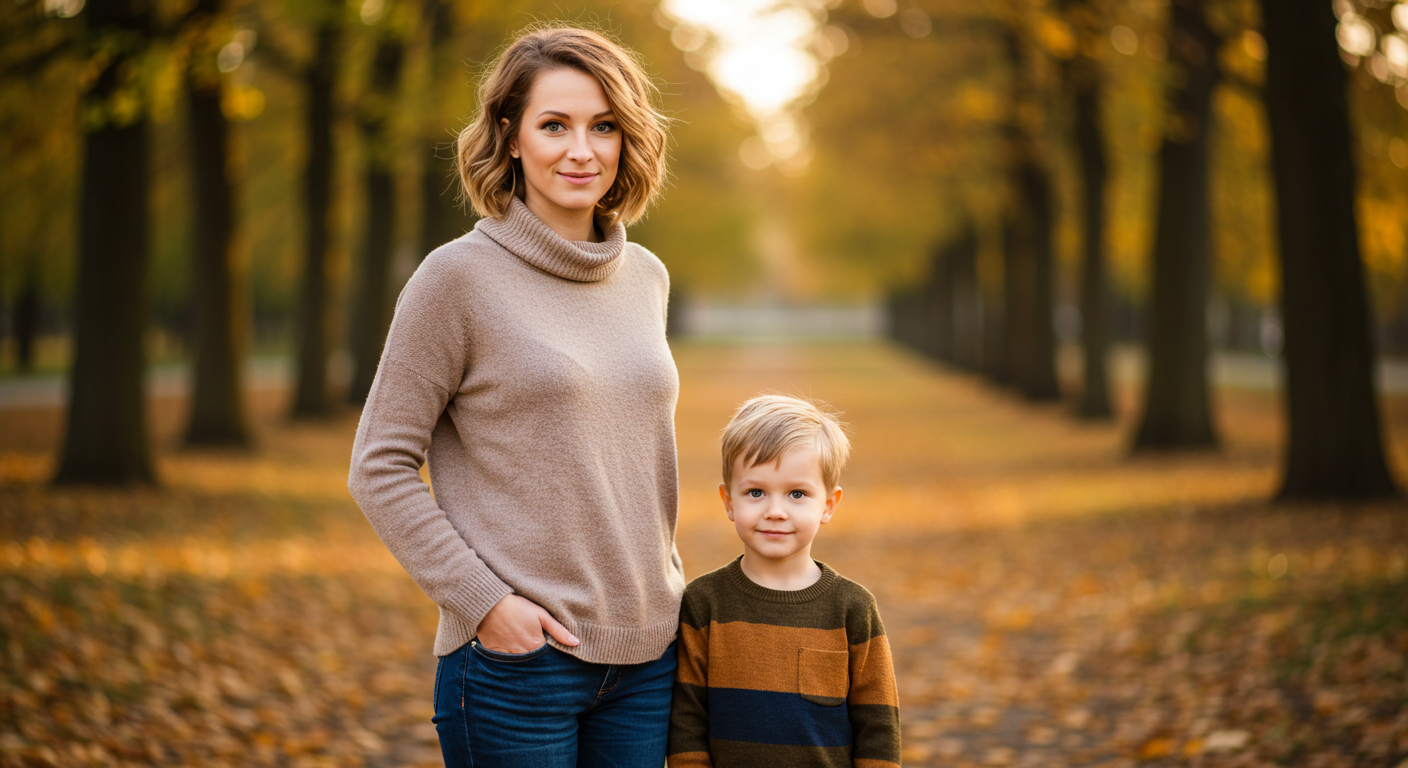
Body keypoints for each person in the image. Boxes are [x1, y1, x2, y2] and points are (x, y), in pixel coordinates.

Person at [347, 25, 682, 768]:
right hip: (519, 668)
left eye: (604, 127)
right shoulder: (455, 279)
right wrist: (486, 603)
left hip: (648, 660)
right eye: (554, 125)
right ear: (510, 135)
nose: (581, 150)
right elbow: (378, 465)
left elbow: (627, 459)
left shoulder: (646, 278)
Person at [667, 395, 902, 768]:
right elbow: (686, 721)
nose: (775, 511)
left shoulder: (852, 608)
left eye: (797, 494)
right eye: (755, 492)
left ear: (828, 505)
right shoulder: (704, 602)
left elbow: (879, 726)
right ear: (728, 501)